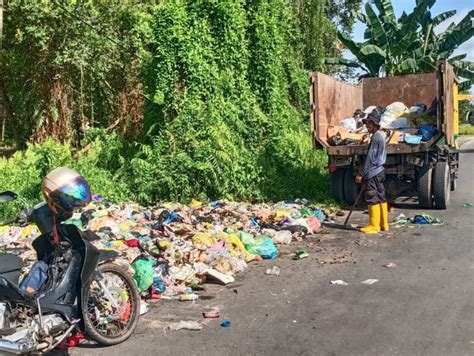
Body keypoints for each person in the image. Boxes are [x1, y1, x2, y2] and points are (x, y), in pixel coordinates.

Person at [355, 107, 388, 234]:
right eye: (367, 123)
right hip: (380, 171)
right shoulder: (380, 136)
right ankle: (384, 224)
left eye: (369, 123)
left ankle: (374, 225)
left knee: (372, 196)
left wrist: (361, 173)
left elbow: (370, 158)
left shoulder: (375, 138)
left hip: (373, 172)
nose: (367, 126)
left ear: (375, 124)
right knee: (381, 196)